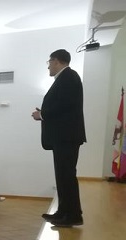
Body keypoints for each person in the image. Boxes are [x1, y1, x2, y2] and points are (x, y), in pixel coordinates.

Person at [32, 49, 86, 227]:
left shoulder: (69, 77)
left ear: (57, 61)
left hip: (66, 136)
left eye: (49, 62)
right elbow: (64, 105)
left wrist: (43, 115)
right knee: (63, 176)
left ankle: (72, 215)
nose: (48, 66)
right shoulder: (65, 78)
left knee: (66, 176)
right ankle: (64, 212)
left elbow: (65, 105)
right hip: (63, 137)